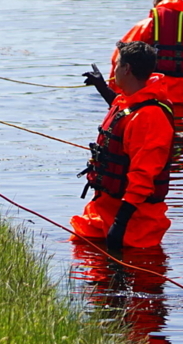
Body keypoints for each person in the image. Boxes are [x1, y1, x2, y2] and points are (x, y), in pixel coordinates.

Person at [72, 41, 174, 251]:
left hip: (135, 227)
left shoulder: (150, 118)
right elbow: (123, 110)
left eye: (117, 64)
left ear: (126, 69)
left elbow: (143, 177)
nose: (114, 70)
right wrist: (101, 87)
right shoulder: (131, 102)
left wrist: (119, 224)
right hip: (102, 212)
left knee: (128, 277)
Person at [85, 0, 183, 106]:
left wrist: (114, 93)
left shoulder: (143, 27)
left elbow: (119, 58)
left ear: (156, 8)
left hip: (151, 97)